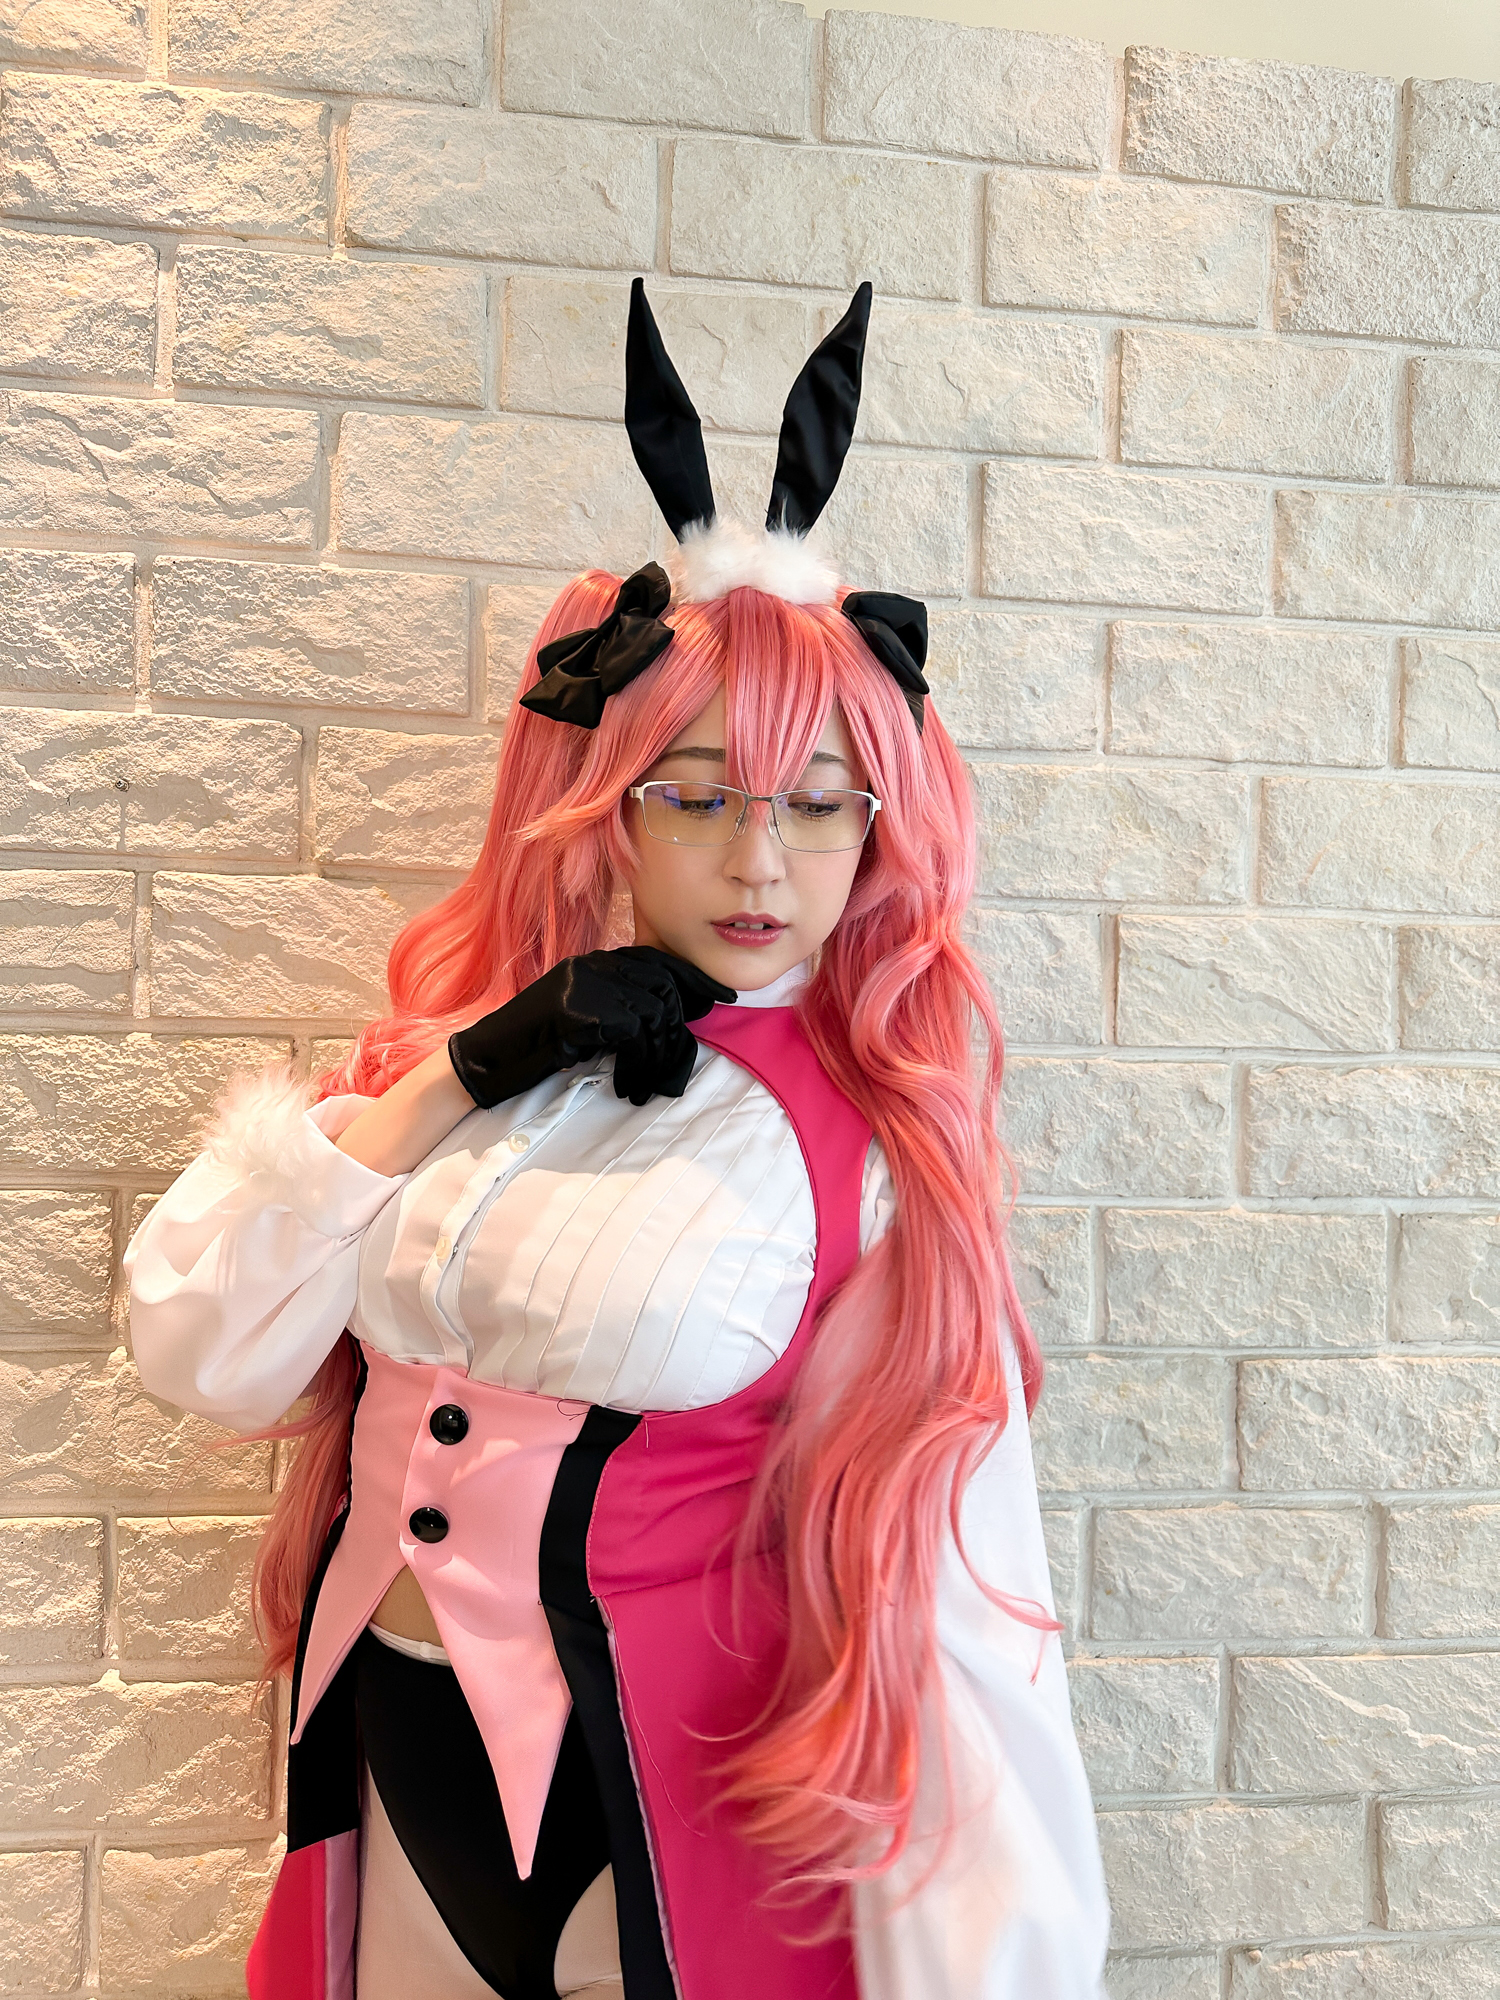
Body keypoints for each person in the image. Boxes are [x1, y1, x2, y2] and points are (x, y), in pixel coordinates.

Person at [125, 282, 1109, 2000]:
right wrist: (458, 1073)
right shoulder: (444, 1074)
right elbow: (202, 1355)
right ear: (607, 800)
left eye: (819, 806)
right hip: (384, 1779)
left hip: (676, 1813)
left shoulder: (870, 1160)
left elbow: (961, 1606)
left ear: (880, 827)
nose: (760, 863)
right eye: (700, 796)